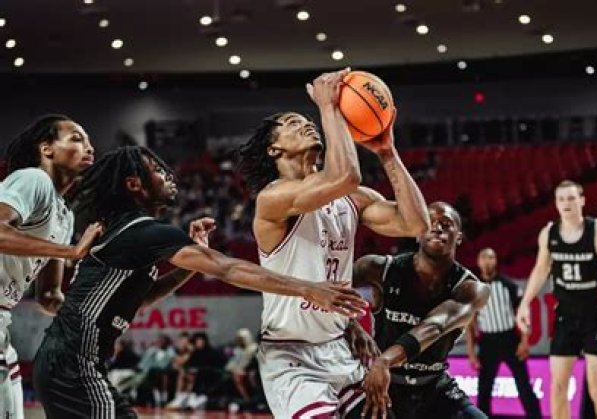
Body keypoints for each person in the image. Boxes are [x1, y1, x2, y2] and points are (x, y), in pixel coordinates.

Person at [32, 145, 367, 418]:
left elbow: (143, 298)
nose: (168, 175)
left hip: (68, 362)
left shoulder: (126, 233)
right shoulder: (142, 231)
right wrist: (306, 288)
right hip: (73, 363)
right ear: (134, 185)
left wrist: (188, 267)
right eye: (157, 170)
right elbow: (226, 269)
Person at [234, 68, 429, 418]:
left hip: (339, 348)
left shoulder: (352, 198)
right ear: (274, 149)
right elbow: (344, 175)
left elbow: (415, 224)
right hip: (291, 355)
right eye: (293, 123)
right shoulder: (273, 198)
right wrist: (328, 108)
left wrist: (387, 152)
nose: (307, 124)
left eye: (308, 120)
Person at [0, 114, 102, 418]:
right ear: (46, 148)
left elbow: (48, 297)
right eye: (77, 138)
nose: (89, 147)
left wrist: (94, 314)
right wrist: (70, 251)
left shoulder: (65, 216)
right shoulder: (33, 179)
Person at [516, 179, 597, 419]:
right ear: (556, 203)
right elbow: (541, 269)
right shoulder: (548, 233)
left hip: (595, 316)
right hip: (565, 315)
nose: (567, 203)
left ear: (582, 200)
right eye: (561, 199)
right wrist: (524, 303)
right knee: (558, 387)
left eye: (571, 198)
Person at [353, 201, 490, 419]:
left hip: (433, 386)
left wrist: (385, 360)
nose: (437, 228)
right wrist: (352, 326)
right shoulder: (378, 268)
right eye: (430, 222)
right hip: (384, 386)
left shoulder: (471, 288)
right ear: (418, 233)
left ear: (459, 237)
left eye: (446, 224)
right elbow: (330, 292)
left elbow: (434, 327)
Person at [466, 248, 541, 418]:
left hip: (510, 339)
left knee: (524, 386)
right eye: (484, 257)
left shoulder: (508, 285)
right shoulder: (473, 290)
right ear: (478, 262)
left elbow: (523, 314)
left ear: (496, 261)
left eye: (491, 257)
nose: (487, 261)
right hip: (487, 342)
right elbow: (470, 324)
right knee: (484, 389)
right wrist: (471, 352)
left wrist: (524, 342)